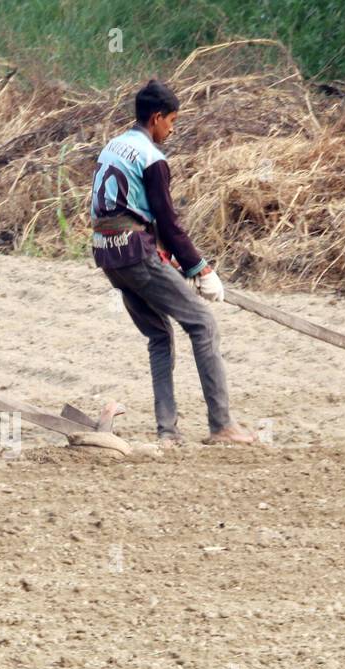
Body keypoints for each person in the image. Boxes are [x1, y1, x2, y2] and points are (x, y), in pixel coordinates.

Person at [90, 80, 254, 445]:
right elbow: (169, 221)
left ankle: (168, 432)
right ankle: (222, 425)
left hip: (108, 253)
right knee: (203, 324)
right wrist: (200, 269)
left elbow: (123, 209)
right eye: (172, 121)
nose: (173, 128)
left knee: (159, 335)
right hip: (134, 252)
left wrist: (165, 256)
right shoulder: (152, 159)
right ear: (157, 117)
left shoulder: (113, 146)